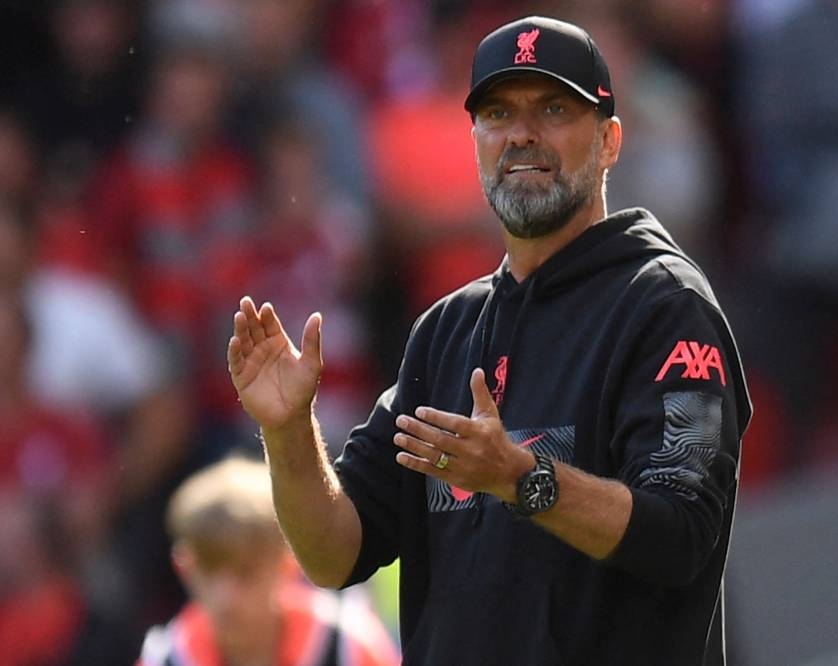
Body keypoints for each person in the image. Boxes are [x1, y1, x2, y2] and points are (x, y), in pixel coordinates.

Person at [228, 16, 752, 665]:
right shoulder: (444, 333)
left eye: (554, 108)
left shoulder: (666, 309)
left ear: (611, 140)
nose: (522, 133)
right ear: (473, 138)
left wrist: (521, 477)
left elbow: (681, 535)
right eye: (498, 112)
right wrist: (286, 432)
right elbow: (335, 553)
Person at [135, 456, 400, 666]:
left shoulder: (349, 648)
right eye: (209, 570)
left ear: (288, 564)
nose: (226, 596)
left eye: (246, 572)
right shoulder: (164, 658)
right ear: (184, 570)